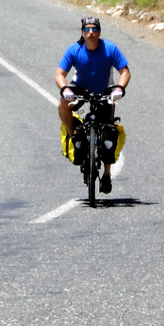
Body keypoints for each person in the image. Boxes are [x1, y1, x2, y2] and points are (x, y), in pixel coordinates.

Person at [55, 16, 130, 193]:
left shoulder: (110, 48)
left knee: (108, 129)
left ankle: (107, 174)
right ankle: (74, 135)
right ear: (82, 32)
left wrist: (119, 88)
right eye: (87, 29)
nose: (91, 32)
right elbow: (59, 74)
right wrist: (65, 89)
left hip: (105, 90)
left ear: (99, 32)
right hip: (80, 88)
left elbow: (125, 72)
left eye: (95, 29)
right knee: (62, 103)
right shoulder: (74, 49)